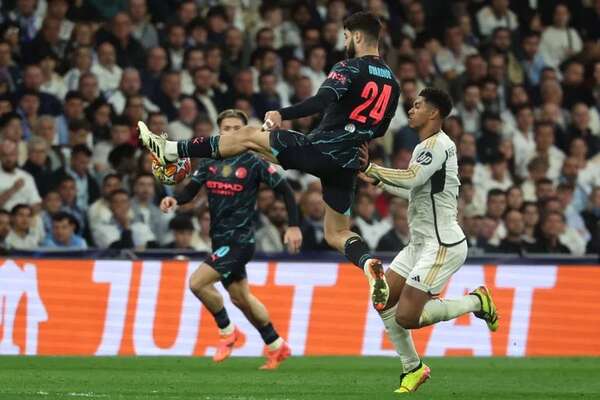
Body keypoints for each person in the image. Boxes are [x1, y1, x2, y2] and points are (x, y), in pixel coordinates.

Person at [139, 11, 400, 311]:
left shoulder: (349, 68)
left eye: (345, 36)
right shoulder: (392, 82)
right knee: (337, 232)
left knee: (249, 134)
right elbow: (378, 129)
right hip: (348, 163)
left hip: (319, 150)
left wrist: (281, 114)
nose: (344, 42)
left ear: (355, 36)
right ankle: (368, 263)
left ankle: (172, 150)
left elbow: (320, 101)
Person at [358, 88, 499, 393]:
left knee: (407, 316)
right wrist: (378, 179)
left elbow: (411, 178)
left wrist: (373, 168)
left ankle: (477, 300)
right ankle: (413, 368)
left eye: (418, 105)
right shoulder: (426, 146)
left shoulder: (436, 145)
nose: (411, 109)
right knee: (383, 301)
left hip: (442, 245)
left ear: (433, 113)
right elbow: (414, 190)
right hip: (420, 244)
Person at [159, 109, 302, 370]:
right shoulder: (210, 162)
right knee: (241, 298)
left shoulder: (254, 162)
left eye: (238, 129)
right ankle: (276, 345)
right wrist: (174, 200)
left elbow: (287, 191)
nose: (232, 133)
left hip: (239, 241)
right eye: (227, 129)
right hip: (219, 241)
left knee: (197, 283)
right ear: (219, 132)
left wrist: (293, 226)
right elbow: (190, 191)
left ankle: (227, 331)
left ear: (247, 133)